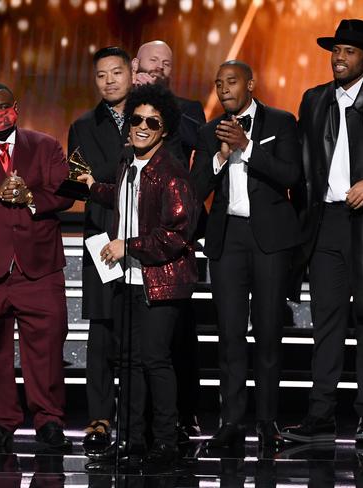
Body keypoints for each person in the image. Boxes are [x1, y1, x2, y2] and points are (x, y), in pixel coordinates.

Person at [281, 19, 363, 446]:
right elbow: (302, 165)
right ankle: (320, 417)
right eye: (336, 50)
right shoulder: (314, 101)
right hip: (326, 224)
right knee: (327, 323)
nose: (339, 57)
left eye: (349, 52)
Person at [79, 83, 199, 466]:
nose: (143, 126)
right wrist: (92, 187)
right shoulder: (129, 165)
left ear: (164, 129)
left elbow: (176, 234)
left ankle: (164, 442)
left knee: (155, 361)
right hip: (129, 280)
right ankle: (130, 439)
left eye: (153, 121)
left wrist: (126, 246)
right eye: (136, 119)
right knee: (128, 362)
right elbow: (123, 198)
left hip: (160, 283)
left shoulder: (172, 171)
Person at [0, 82, 74, 451]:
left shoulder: (45, 145)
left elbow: (65, 192)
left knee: (48, 346)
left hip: (38, 266)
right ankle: (0, 422)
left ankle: (49, 421)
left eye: (3, 107)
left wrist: (31, 198)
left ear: (15, 108)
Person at [190, 60, 301, 450]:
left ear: (251, 84)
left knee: (268, 332)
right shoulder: (208, 132)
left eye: (231, 82)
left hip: (270, 238)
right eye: (218, 84)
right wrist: (221, 156)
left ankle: (268, 422)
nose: (223, 90)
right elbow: (195, 188)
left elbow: (292, 176)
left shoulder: (282, 122)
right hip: (228, 239)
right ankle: (231, 422)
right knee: (230, 335)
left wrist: (247, 147)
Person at [132, 39, 206, 440]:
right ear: (135, 64)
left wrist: (164, 105)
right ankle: (135, 426)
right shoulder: (127, 110)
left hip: (170, 234)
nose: (159, 67)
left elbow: (199, 141)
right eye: (152, 62)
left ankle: (181, 418)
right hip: (130, 231)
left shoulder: (187, 110)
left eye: (166, 63)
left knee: (174, 338)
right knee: (137, 348)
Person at [67, 46, 131, 453]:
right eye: (101, 75)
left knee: (143, 332)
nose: (108, 81)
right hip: (102, 236)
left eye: (116, 73)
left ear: (131, 74)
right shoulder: (82, 125)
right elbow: (78, 182)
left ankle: (138, 418)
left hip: (145, 235)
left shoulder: (150, 118)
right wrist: (106, 179)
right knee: (102, 332)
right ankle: (100, 418)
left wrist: (99, 181)